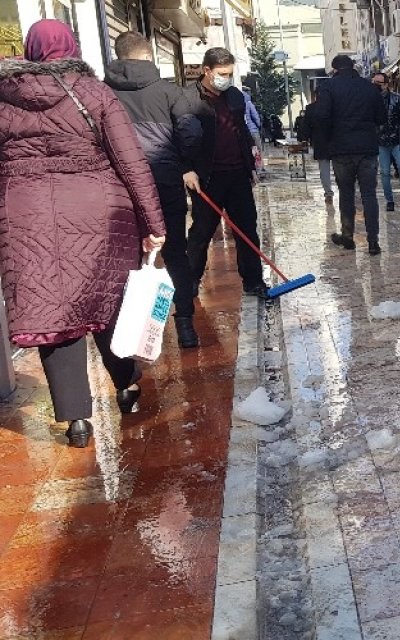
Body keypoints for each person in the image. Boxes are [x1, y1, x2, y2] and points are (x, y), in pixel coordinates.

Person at [0, 20, 167, 448]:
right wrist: (154, 224)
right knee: (109, 304)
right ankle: (126, 387)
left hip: (27, 216)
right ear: (71, 47)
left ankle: (76, 421)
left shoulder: (4, 99)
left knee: (50, 314)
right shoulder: (93, 92)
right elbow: (130, 161)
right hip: (100, 212)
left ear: (32, 50)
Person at [105, 31, 204, 349]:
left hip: (120, 188)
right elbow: (191, 131)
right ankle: (185, 325)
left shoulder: (102, 93)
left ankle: (133, 333)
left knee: (130, 259)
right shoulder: (169, 92)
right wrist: (182, 162)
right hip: (164, 183)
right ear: (149, 56)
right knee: (176, 253)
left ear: (118, 57)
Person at [185, 47, 269, 299]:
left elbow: (241, 132)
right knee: (201, 232)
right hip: (207, 178)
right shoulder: (188, 98)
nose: (226, 78)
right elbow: (181, 137)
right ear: (206, 71)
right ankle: (189, 283)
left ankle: (253, 281)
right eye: (222, 73)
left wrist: (251, 165)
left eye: (230, 73)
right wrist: (186, 168)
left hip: (237, 174)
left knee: (247, 230)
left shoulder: (234, 96)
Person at [314, 55, 385, 254]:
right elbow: (381, 117)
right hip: (367, 149)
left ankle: (348, 237)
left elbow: (321, 115)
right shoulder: (369, 87)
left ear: (334, 69)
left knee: (346, 194)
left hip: (341, 149)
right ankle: (373, 242)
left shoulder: (328, 88)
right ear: (352, 67)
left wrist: (329, 137)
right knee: (369, 195)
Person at [371, 72, 400, 212]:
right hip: (380, 141)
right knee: (385, 172)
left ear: (386, 84)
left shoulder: (397, 100)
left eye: (379, 83)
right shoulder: (370, 100)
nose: (376, 86)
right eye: (374, 82)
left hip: (397, 140)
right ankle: (389, 200)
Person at [295, 90, 334, 204]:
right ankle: (343, 190)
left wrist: (303, 139)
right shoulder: (335, 107)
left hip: (320, 143)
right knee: (339, 170)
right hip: (337, 142)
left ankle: (328, 193)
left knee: (324, 169)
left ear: (315, 96)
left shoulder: (311, 108)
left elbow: (306, 126)